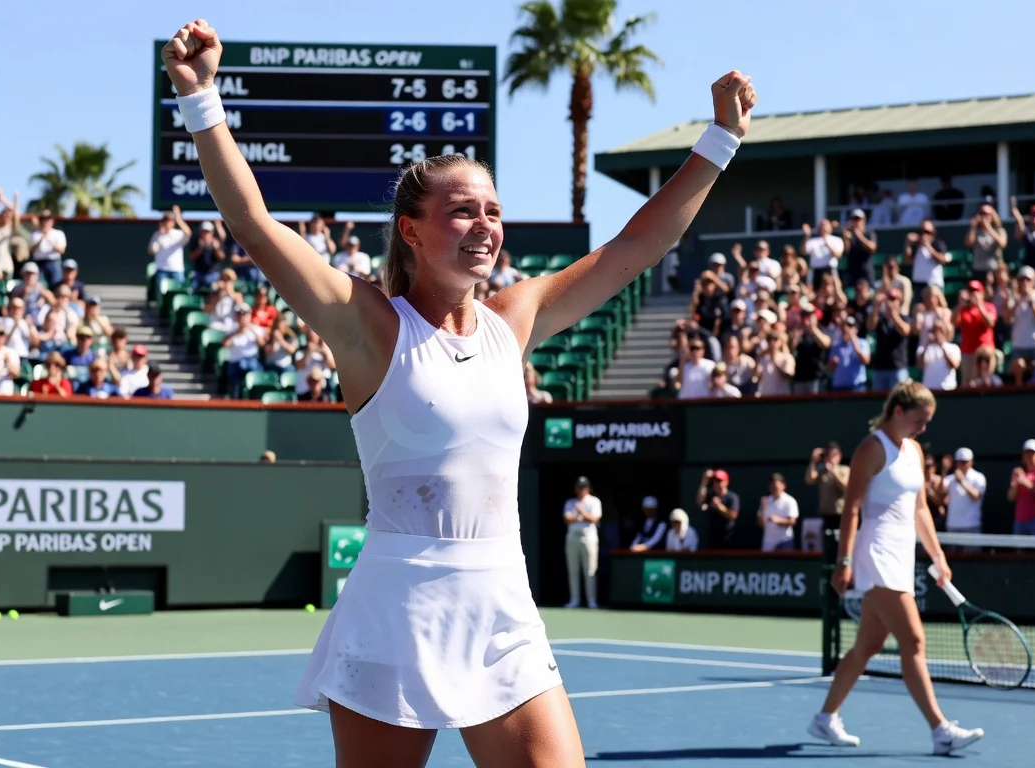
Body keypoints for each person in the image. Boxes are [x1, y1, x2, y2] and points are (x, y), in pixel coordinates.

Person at [164, 20, 758, 763]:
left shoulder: (517, 315)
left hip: (503, 603)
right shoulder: (367, 324)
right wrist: (201, 97)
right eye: (463, 211)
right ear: (410, 231)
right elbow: (253, 226)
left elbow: (637, 246)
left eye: (494, 212)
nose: (486, 227)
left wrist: (720, 141)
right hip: (396, 606)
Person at [808, 381, 984, 755]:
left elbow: (920, 509)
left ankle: (825, 719)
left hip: (903, 554)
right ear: (899, 411)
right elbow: (851, 508)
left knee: (868, 645)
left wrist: (938, 557)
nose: (924, 428)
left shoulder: (916, 451)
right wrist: (844, 561)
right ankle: (941, 731)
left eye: (928, 422)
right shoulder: (871, 448)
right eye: (920, 420)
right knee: (914, 641)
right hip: (875, 552)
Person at [562, 476, 603, 610]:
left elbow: (595, 518)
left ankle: (592, 601)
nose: (581, 490)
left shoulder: (594, 501)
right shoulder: (570, 502)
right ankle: (575, 600)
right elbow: (567, 519)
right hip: (572, 538)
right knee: (573, 570)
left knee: (590, 570)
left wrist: (581, 513)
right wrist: (582, 517)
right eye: (579, 487)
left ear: (589, 489)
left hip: (589, 538)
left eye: (584, 487)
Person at [941, 447, 986, 534]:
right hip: (952, 526)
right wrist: (944, 471)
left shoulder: (979, 477)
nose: (963, 464)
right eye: (960, 462)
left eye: (965, 462)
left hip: (971, 525)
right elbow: (941, 491)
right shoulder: (950, 478)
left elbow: (976, 496)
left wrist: (961, 481)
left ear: (971, 462)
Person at [758, 473, 799, 551]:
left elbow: (792, 521)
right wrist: (763, 509)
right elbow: (761, 524)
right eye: (772, 485)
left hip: (785, 541)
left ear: (783, 486)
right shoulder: (765, 501)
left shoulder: (790, 501)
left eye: (777, 485)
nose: (774, 487)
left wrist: (777, 520)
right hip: (768, 542)